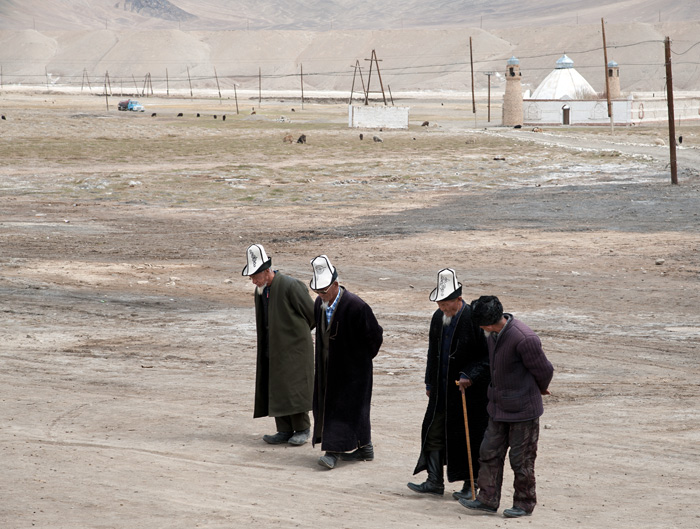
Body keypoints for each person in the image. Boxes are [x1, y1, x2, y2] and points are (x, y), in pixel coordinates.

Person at [459, 296, 554, 518]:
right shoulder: (492, 335)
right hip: (498, 407)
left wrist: (540, 388)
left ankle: (524, 503)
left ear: (489, 323)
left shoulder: (524, 338)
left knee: (522, 461)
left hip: (523, 411)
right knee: (489, 453)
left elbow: (545, 370)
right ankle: (487, 499)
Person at [408, 268, 490, 500]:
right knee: (432, 431)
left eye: (446, 304)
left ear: (459, 300)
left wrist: (470, 375)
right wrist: (429, 382)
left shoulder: (474, 319)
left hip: (467, 393)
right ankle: (434, 481)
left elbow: (487, 358)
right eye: (440, 305)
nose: (442, 309)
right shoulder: (438, 318)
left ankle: (469, 484)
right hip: (441, 391)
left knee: (467, 437)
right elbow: (433, 352)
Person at [308, 255, 383, 469]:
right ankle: (364, 447)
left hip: (353, 371)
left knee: (344, 408)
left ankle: (332, 452)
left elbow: (375, 337)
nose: (321, 296)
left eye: (324, 291)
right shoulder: (319, 304)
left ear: (335, 285)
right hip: (327, 369)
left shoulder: (356, 306)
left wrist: (359, 362)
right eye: (318, 292)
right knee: (341, 407)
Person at [242, 243, 315, 446]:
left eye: (255, 275)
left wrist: (293, 336)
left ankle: (302, 429)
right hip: (272, 348)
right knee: (276, 385)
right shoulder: (262, 291)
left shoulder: (291, 285)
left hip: (295, 350)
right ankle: (283, 430)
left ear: (267, 272)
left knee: (295, 388)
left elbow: (313, 315)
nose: (252, 280)